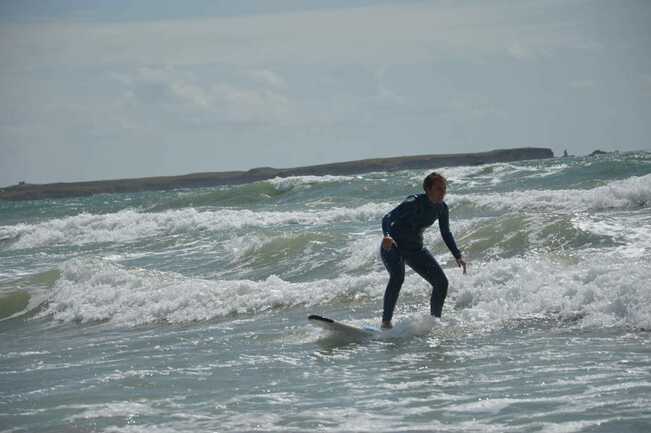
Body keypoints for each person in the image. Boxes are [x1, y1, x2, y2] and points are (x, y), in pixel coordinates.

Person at [380, 172, 466, 329]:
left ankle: (434, 322)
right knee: (398, 277)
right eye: (439, 189)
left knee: (441, 283)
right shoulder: (412, 202)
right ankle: (386, 323)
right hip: (393, 246)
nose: (443, 192)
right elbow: (387, 217)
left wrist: (457, 255)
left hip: (415, 249)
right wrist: (386, 236)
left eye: (444, 189)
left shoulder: (441, 208)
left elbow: (445, 232)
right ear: (428, 189)